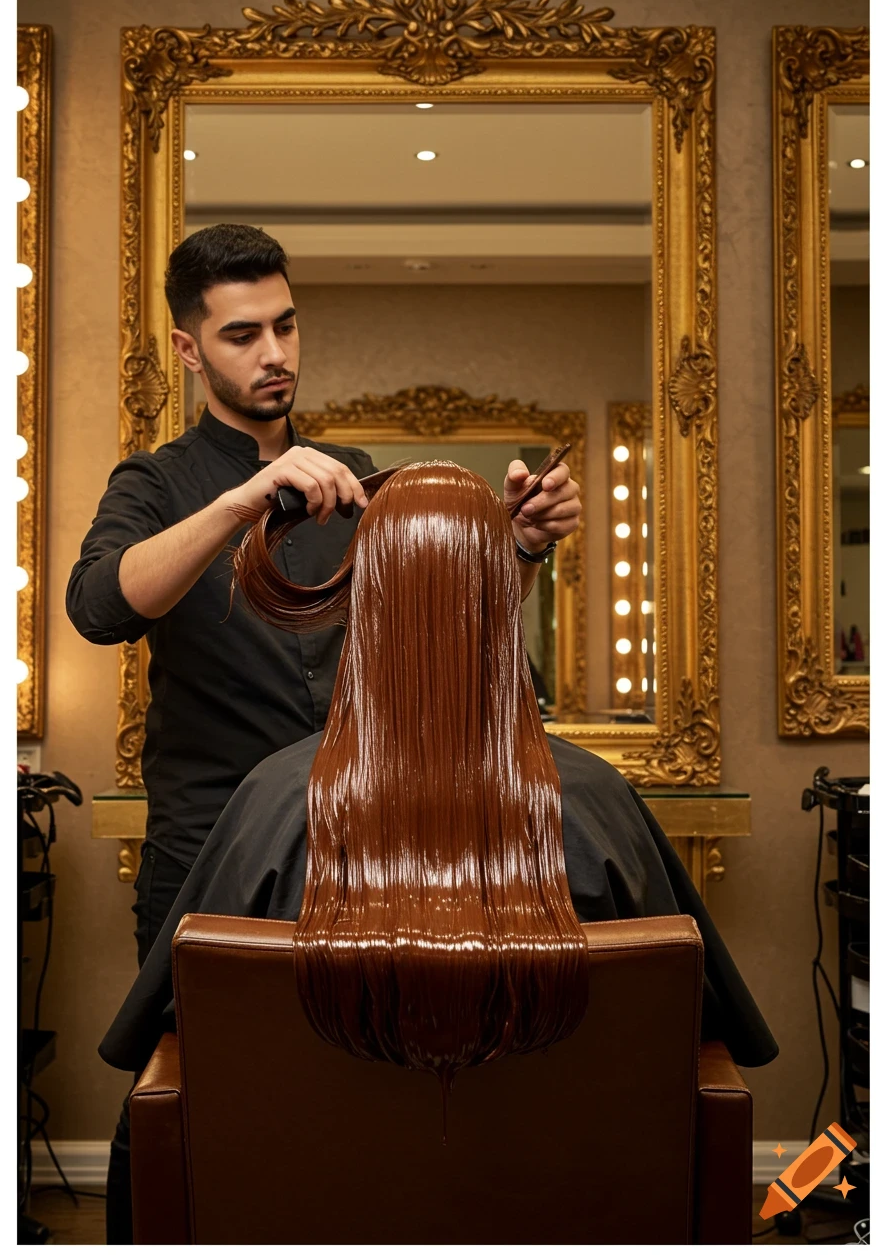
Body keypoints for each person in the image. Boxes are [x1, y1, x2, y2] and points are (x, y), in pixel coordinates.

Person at [68, 226, 581, 1240]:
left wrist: (514, 548)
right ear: (188, 349)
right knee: (178, 1092)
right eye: (243, 333)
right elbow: (98, 603)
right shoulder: (159, 482)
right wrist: (242, 499)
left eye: (286, 324)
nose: (275, 353)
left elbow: (448, 627)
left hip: (354, 846)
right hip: (206, 851)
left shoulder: (356, 478)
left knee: (332, 1105)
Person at [100, 463, 777, 1088]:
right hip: (557, 1195)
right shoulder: (597, 802)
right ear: (499, 602)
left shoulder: (271, 801)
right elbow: (687, 1019)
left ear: (364, 601)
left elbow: (181, 1027)